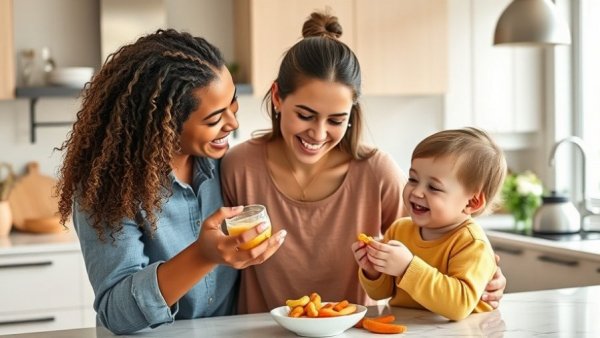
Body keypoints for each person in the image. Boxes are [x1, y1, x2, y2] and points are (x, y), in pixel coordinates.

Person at [220, 12, 506, 314]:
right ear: (277, 97)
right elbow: (214, 262)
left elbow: (436, 240)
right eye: (305, 115)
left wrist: (483, 276)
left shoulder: (377, 172)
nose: (318, 134)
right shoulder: (239, 167)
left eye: (336, 120)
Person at [55, 29, 286, 334]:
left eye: (233, 104)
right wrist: (202, 256)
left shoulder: (227, 165)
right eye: (214, 119)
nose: (233, 123)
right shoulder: (109, 189)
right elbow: (116, 313)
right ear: (164, 126)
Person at [353, 127, 506, 321]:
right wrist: (373, 270)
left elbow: (459, 305)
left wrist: (408, 267)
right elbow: (380, 294)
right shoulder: (399, 230)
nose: (416, 192)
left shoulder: (472, 243)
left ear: (471, 202)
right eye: (413, 179)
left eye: (433, 187)